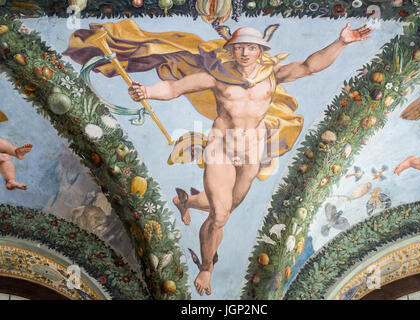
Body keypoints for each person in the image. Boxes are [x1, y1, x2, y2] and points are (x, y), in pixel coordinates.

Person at [128, 21, 372, 296]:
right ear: (232, 51)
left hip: (251, 154)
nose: (245, 53)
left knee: (226, 209)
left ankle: (187, 201)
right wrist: (146, 92)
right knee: (219, 216)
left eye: (251, 48)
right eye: (240, 48)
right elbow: (175, 88)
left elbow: (309, 66)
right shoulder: (217, 76)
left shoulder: (272, 75)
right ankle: (206, 267)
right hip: (221, 149)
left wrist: (341, 42)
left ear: (260, 51)